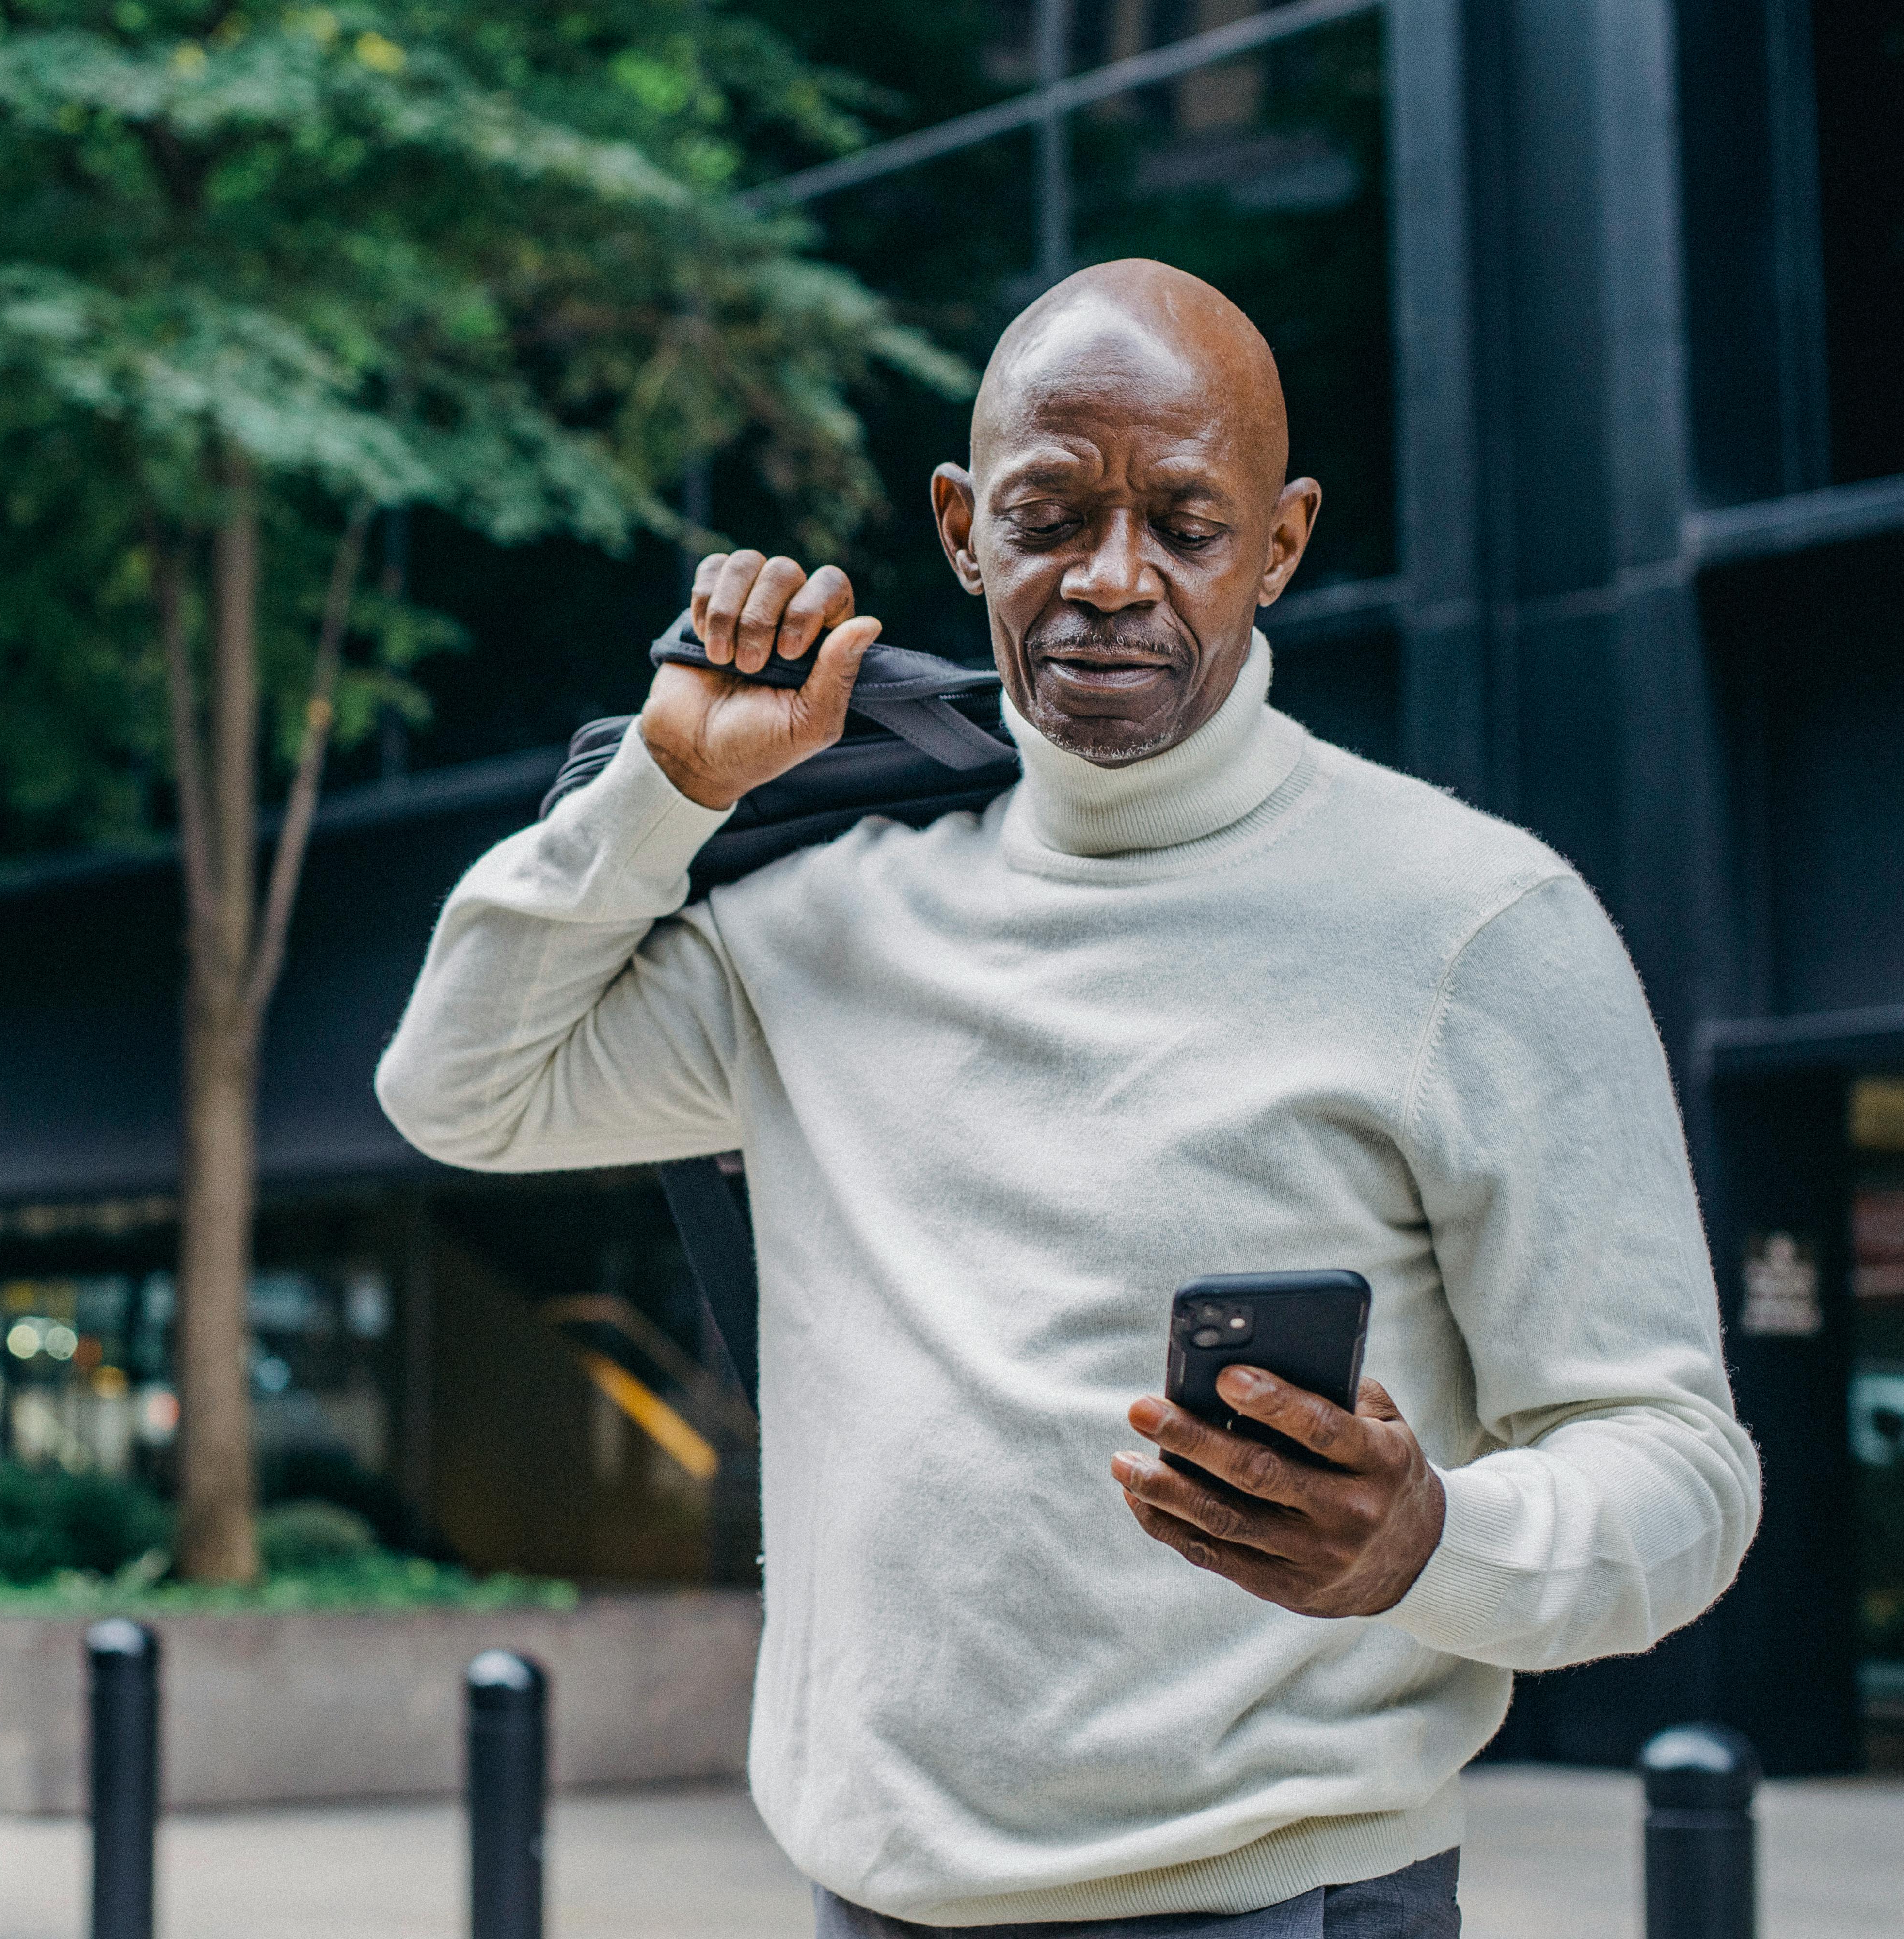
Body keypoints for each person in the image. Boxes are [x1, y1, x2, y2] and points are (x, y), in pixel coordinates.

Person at [375, 260, 1760, 1938]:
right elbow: (461, 1090)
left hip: (1282, 1907)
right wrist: (664, 789)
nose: (1114, 580)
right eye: (1050, 517)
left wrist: (1427, 1542)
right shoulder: (823, 923)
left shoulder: (1476, 926)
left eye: (1186, 523)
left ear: (1283, 541)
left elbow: (1680, 1473)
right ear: (963, 531)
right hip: (870, 1899)